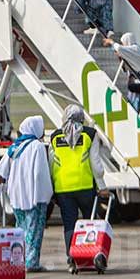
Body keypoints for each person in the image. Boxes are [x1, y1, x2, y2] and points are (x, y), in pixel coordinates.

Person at [49, 105, 108, 270]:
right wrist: (102, 186)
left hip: (63, 188)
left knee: (69, 224)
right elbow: (96, 165)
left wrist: (53, 187)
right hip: (85, 187)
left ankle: (72, 259)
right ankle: (93, 255)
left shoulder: (55, 136)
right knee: (91, 222)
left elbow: (51, 164)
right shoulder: (90, 134)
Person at [0, 116, 53, 272]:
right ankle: (31, 262)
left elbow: (2, 169)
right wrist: (46, 194)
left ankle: (18, 260)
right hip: (33, 195)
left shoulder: (15, 146)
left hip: (16, 195)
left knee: (20, 230)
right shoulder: (36, 146)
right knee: (34, 231)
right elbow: (40, 174)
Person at [104, 32, 140, 120]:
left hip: (138, 81)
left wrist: (111, 41)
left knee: (137, 104)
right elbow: (126, 67)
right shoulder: (139, 49)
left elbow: (119, 48)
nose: (123, 44)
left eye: (124, 42)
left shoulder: (134, 49)